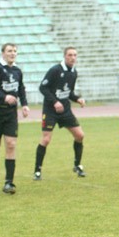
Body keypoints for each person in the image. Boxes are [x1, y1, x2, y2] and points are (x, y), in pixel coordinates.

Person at [0, 43, 30, 194]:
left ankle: (9, 183)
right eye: (9, 51)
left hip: (10, 113)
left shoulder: (17, 70)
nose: (12, 53)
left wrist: (25, 105)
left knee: (10, 144)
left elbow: (20, 88)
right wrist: (4, 97)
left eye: (15, 51)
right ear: (3, 53)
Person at [33, 47, 86, 180]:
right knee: (46, 139)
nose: (73, 57)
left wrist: (77, 99)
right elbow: (43, 87)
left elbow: (69, 93)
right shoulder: (55, 70)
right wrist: (55, 102)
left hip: (65, 110)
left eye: (75, 55)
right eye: (70, 55)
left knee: (80, 135)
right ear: (64, 56)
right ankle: (37, 171)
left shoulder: (74, 72)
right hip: (50, 110)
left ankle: (77, 165)